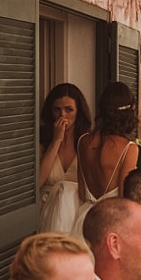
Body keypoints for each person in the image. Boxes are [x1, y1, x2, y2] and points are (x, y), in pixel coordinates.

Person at [71, 82, 140, 238]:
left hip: (83, 220)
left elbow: (82, 193)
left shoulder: (83, 141)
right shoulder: (128, 148)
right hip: (110, 223)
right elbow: (124, 199)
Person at [37, 84, 92, 234]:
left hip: (76, 214)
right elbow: (38, 181)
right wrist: (56, 140)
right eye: (57, 110)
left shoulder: (87, 141)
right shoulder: (42, 140)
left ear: (78, 111)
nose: (63, 115)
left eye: (69, 110)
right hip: (46, 213)